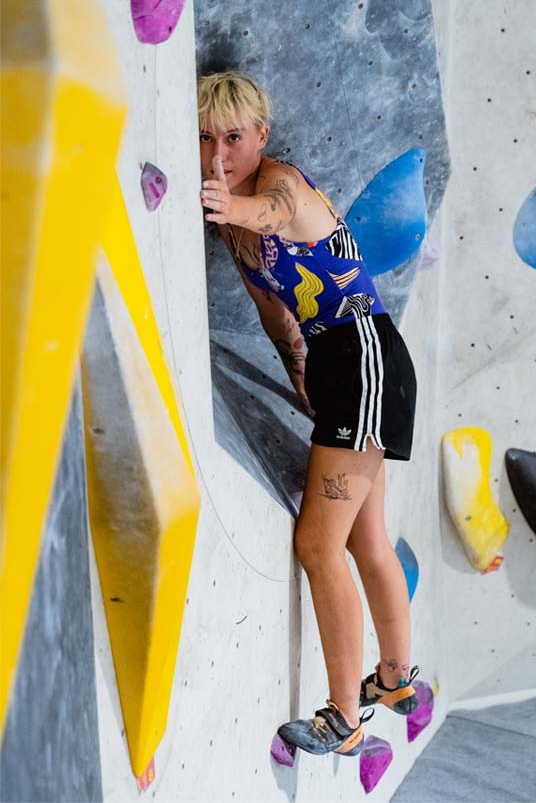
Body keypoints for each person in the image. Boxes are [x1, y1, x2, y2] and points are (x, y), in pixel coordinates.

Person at [198, 70, 420, 758]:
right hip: (336, 367)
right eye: (204, 138)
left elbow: (270, 213)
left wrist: (231, 206)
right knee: (363, 540)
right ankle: (393, 681)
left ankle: (344, 719)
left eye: (233, 137)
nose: (218, 154)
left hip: (366, 354)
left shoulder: (279, 186)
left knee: (318, 545)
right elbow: (278, 317)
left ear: (260, 136)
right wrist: (302, 382)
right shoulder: (234, 234)